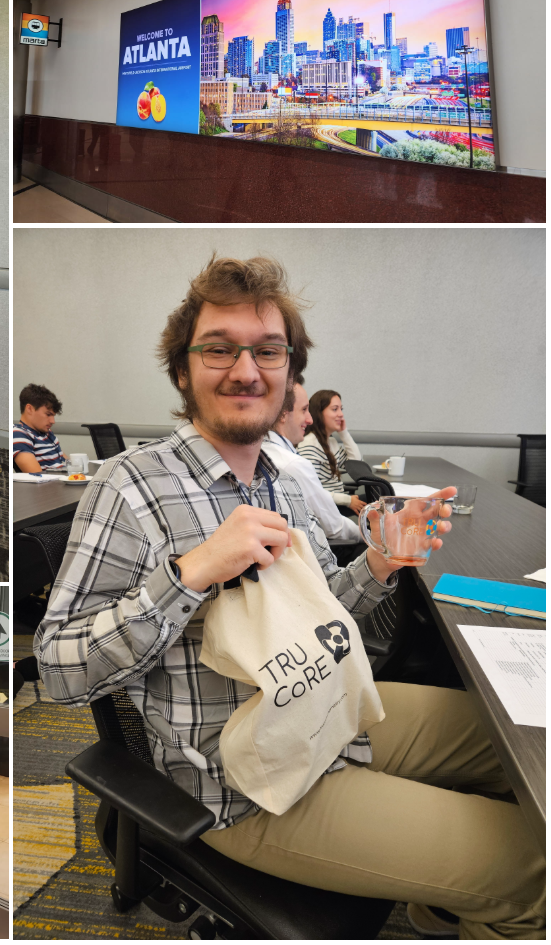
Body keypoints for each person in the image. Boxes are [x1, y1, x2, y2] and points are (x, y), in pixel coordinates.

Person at [36, 255, 542, 939]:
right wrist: (189, 573)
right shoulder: (130, 488)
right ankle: (495, 902)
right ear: (182, 370)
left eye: (268, 351)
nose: (246, 370)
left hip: (326, 715)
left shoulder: (278, 475)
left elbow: (316, 616)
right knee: (531, 866)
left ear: (288, 372)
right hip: (246, 786)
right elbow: (58, 670)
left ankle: (446, 904)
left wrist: (381, 562)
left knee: (523, 745)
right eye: (219, 349)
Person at [262, 375, 360, 545]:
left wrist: (344, 433)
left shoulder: (264, 450)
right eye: (304, 410)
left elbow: (356, 463)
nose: (310, 419)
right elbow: (334, 527)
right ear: (283, 414)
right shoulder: (295, 463)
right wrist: (367, 535)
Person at [297, 389, 365, 513]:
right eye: (335, 409)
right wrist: (347, 500)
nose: (341, 414)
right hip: (325, 509)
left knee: (378, 500)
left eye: (341, 409)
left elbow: (357, 463)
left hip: (335, 504)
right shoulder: (309, 446)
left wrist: (344, 433)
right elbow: (311, 491)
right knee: (376, 502)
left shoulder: (331, 442)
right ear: (319, 413)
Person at [13, 383, 66, 473]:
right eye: (48, 414)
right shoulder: (18, 434)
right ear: (29, 409)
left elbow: (65, 462)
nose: (53, 421)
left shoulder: (46, 432)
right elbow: (38, 476)